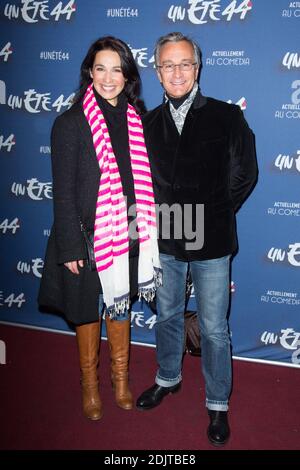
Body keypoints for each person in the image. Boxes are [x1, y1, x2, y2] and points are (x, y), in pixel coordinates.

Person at [136, 32, 258, 446]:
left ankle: (218, 403)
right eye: (167, 65)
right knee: (167, 316)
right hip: (165, 240)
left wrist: (213, 213)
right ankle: (167, 378)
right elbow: (141, 186)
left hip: (212, 240)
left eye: (184, 63)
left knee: (213, 326)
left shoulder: (227, 116)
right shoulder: (147, 123)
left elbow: (245, 174)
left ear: (197, 67)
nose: (176, 72)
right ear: (157, 72)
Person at [38, 36, 161, 421]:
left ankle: (120, 379)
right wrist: (72, 246)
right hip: (86, 236)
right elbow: (63, 192)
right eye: (100, 68)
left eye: (117, 69)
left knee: (119, 303)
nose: (109, 78)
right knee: (87, 311)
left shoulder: (138, 119)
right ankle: (89, 385)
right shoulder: (70, 123)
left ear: (128, 75)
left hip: (129, 230)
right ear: (89, 73)